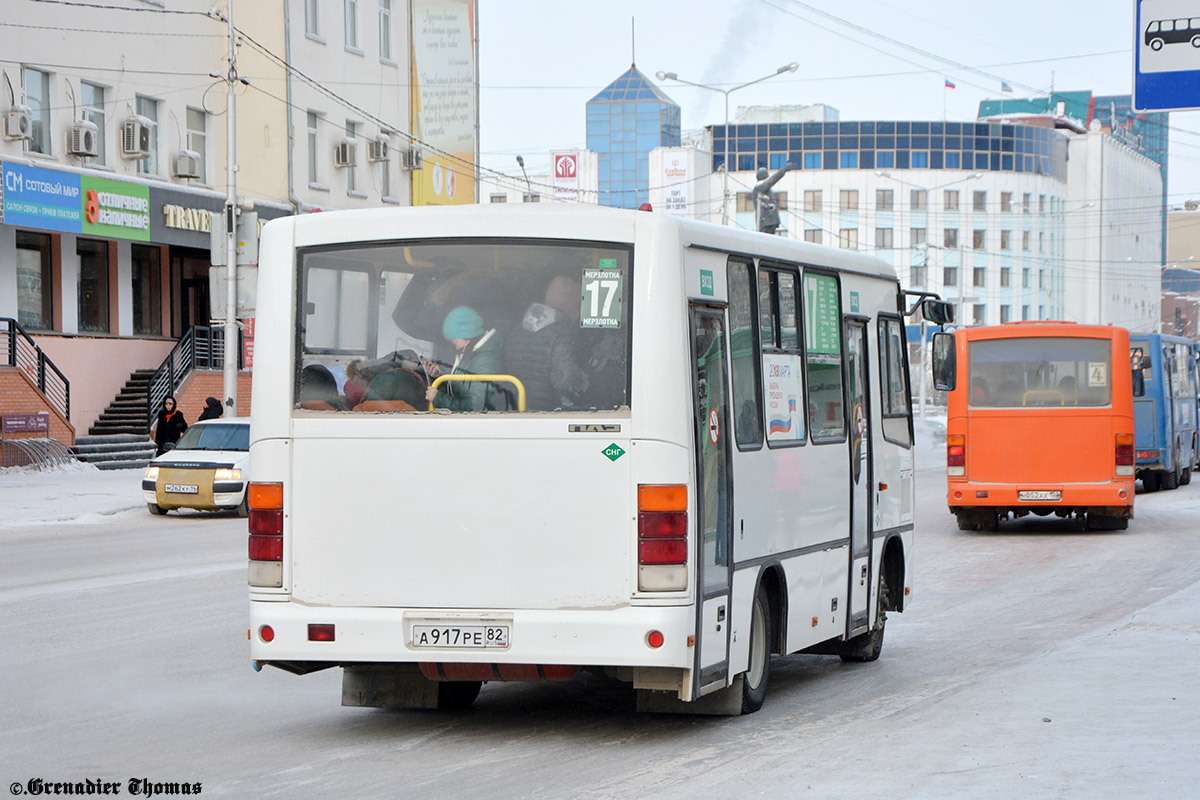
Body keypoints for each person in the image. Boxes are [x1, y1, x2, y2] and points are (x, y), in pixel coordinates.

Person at [506, 274, 589, 410]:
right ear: (572, 304)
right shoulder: (562, 330)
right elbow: (564, 377)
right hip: (545, 411)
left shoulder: (520, 325)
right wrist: (583, 384)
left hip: (515, 405)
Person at [424, 306, 504, 412]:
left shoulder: (486, 360)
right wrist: (439, 375)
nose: (456, 347)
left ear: (467, 337)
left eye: (455, 342)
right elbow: (464, 381)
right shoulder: (472, 352)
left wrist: (438, 398)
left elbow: (476, 406)